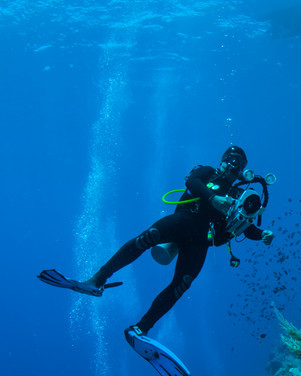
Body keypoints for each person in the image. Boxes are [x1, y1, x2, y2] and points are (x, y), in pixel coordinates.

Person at [83, 144, 273, 339]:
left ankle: (141, 328)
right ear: (223, 160)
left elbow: (244, 225)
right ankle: (98, 279)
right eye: (231, 159)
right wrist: (212, 198)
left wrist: (262, 234)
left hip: (201, 241)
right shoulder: (208, 172)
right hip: (184, 220)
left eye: (239, 164)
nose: (234, 166)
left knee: (182, 284)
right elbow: (192, 181)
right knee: (147, 237)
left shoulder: (237, 195)